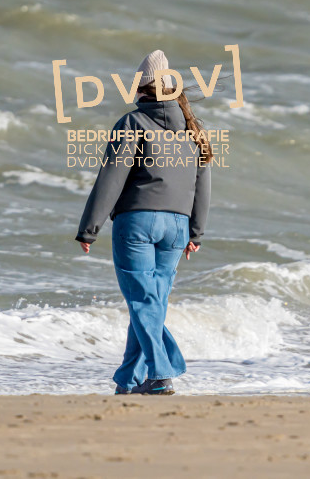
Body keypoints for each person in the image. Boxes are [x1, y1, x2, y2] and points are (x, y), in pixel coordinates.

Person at [75, 50, 212, 395]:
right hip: (178, 229)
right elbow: (202, 186)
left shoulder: (133, 123)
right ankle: (129, 380)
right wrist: (196, 232)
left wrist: (89, 227)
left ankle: (164, 371)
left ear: (141, 90)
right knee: (151, 302)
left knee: (142, 302)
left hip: (136, 223)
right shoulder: (194, 130)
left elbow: (111, 178)